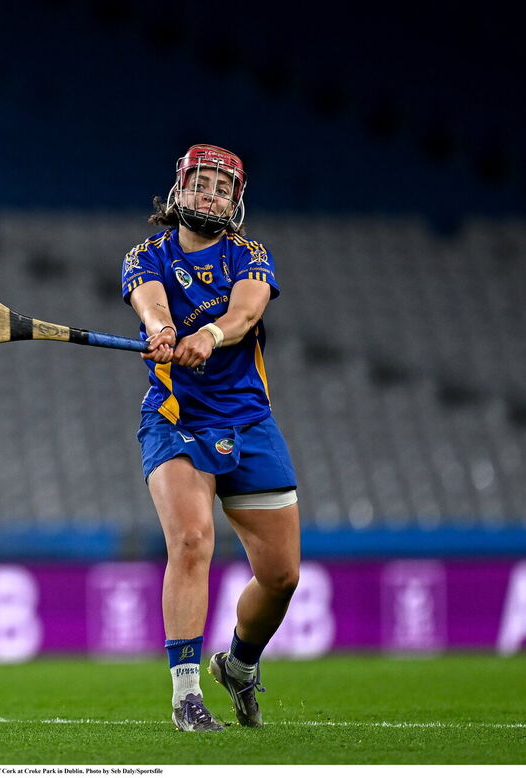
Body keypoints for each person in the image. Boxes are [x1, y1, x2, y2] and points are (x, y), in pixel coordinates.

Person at [121, 144, 300, 731]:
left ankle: (240, 667)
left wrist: (213, 334)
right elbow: (149, 303)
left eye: (223, 189)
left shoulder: (250, 254)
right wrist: (166, 329)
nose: (211, 195)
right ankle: (186, 695)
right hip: (176, 419)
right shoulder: (146, 254)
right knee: (193, 541)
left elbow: (247, 313)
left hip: (248, 420)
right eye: (201, 184)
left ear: (236, 202)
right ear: (178, 190)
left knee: (281, 577)